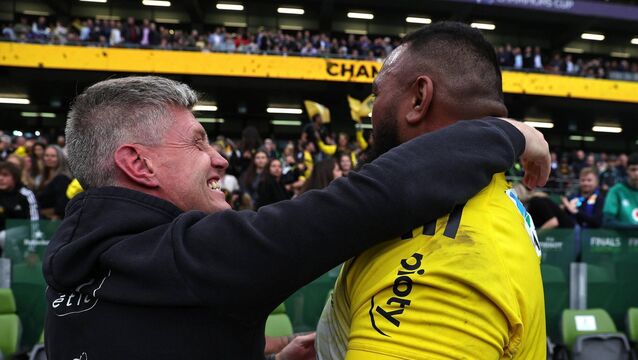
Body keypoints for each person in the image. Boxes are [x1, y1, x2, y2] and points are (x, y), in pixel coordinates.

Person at [44, 76, 549, 360]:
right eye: (198, 141)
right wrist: (502, 132)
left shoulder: (74, 261)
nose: (220, 159)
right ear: (138, 163)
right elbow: (366, 200)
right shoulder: (193, 257)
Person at [316, 22, 548, 360]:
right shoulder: (477, 199)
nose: (371, 111)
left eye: (377, 94)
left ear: (419, 99)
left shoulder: (443, 264)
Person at [603, 152, 638, 230]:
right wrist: (634, 228)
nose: (637, 173)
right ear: (627, 170)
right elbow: (607, 221)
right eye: (633, 169)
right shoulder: (615, 191)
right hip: (622, 241)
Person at [37, 145, 72, 219]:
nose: (49, 158)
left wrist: (40, 211)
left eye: (53, 156)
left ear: (60, 158)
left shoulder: (62, 179)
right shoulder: (43, 177)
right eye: (46, 155)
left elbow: (61, 206)